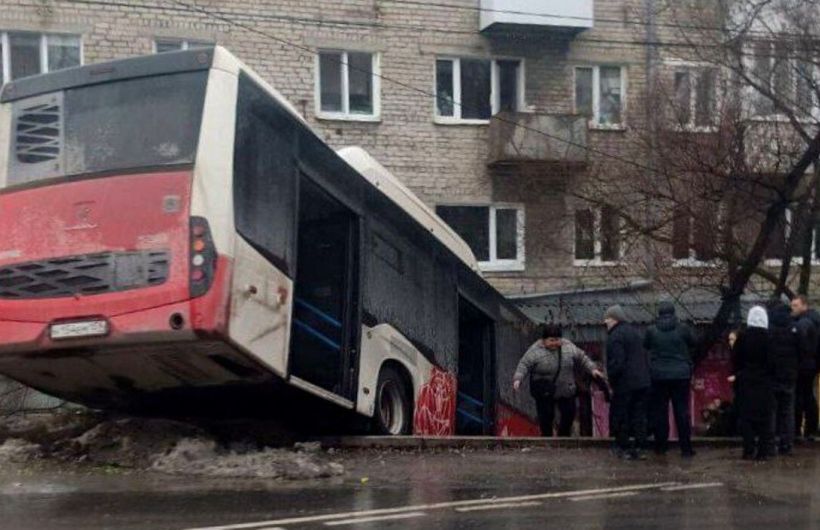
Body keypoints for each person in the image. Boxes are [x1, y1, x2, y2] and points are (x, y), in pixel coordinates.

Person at [513, 323, 604, 437]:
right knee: (546, 417)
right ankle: (547, 440)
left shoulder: (568, 347)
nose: (554, 343)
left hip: (566, 388)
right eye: (551, 340)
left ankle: (563, 438)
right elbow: (524, 364)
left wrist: (593, 369)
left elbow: (582, 358)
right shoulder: (535, 350)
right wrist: (518, 379)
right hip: (545, 390)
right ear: (544, 340)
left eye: (557, 340)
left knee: (569, 414)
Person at [644, 301, 696, 458]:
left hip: (659, 376)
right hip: (681, 375)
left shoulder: (651, 330)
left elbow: (646, 346)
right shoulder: (683, 329)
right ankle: (686, 449)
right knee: (682, 411)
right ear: (673, 313)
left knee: (660, 412)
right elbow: (694, 343)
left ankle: (661, 447)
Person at [604, 305, 651, 460]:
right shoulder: (635, 333)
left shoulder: (615, 336)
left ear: (615, 319)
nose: (605, 322)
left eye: (607, 319)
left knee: (622, 415)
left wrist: (611, 378)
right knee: (639, 415)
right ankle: (641, 446)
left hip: (625, 383)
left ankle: (623, 447)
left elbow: (617, 362)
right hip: (642, 382)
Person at [733, 306, 775, 460]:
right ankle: (763, 451)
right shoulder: (769, 338)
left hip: (746, 381)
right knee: (764, 417)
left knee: (747, 417)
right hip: (764, 382)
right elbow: (774, 362)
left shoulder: (742, 337)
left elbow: (735, 360)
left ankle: (748, 449)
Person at [768, 303, 800, 455]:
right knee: (787, 411)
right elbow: (803, 350)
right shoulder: (794, 329)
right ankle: (786, 444)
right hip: (789, 375)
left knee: (772, 410)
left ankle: (771, 443)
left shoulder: (769, 330)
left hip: (772, 375)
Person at [790, 295, 820, 442]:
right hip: (812, 364)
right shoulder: (814, 320)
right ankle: (810, 430)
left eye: (795, 305)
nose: (792, 308)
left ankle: (798, 430)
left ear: (804, 306)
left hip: (803, 365)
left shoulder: (803, 323)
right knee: (809, 396)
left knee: (801, 397)